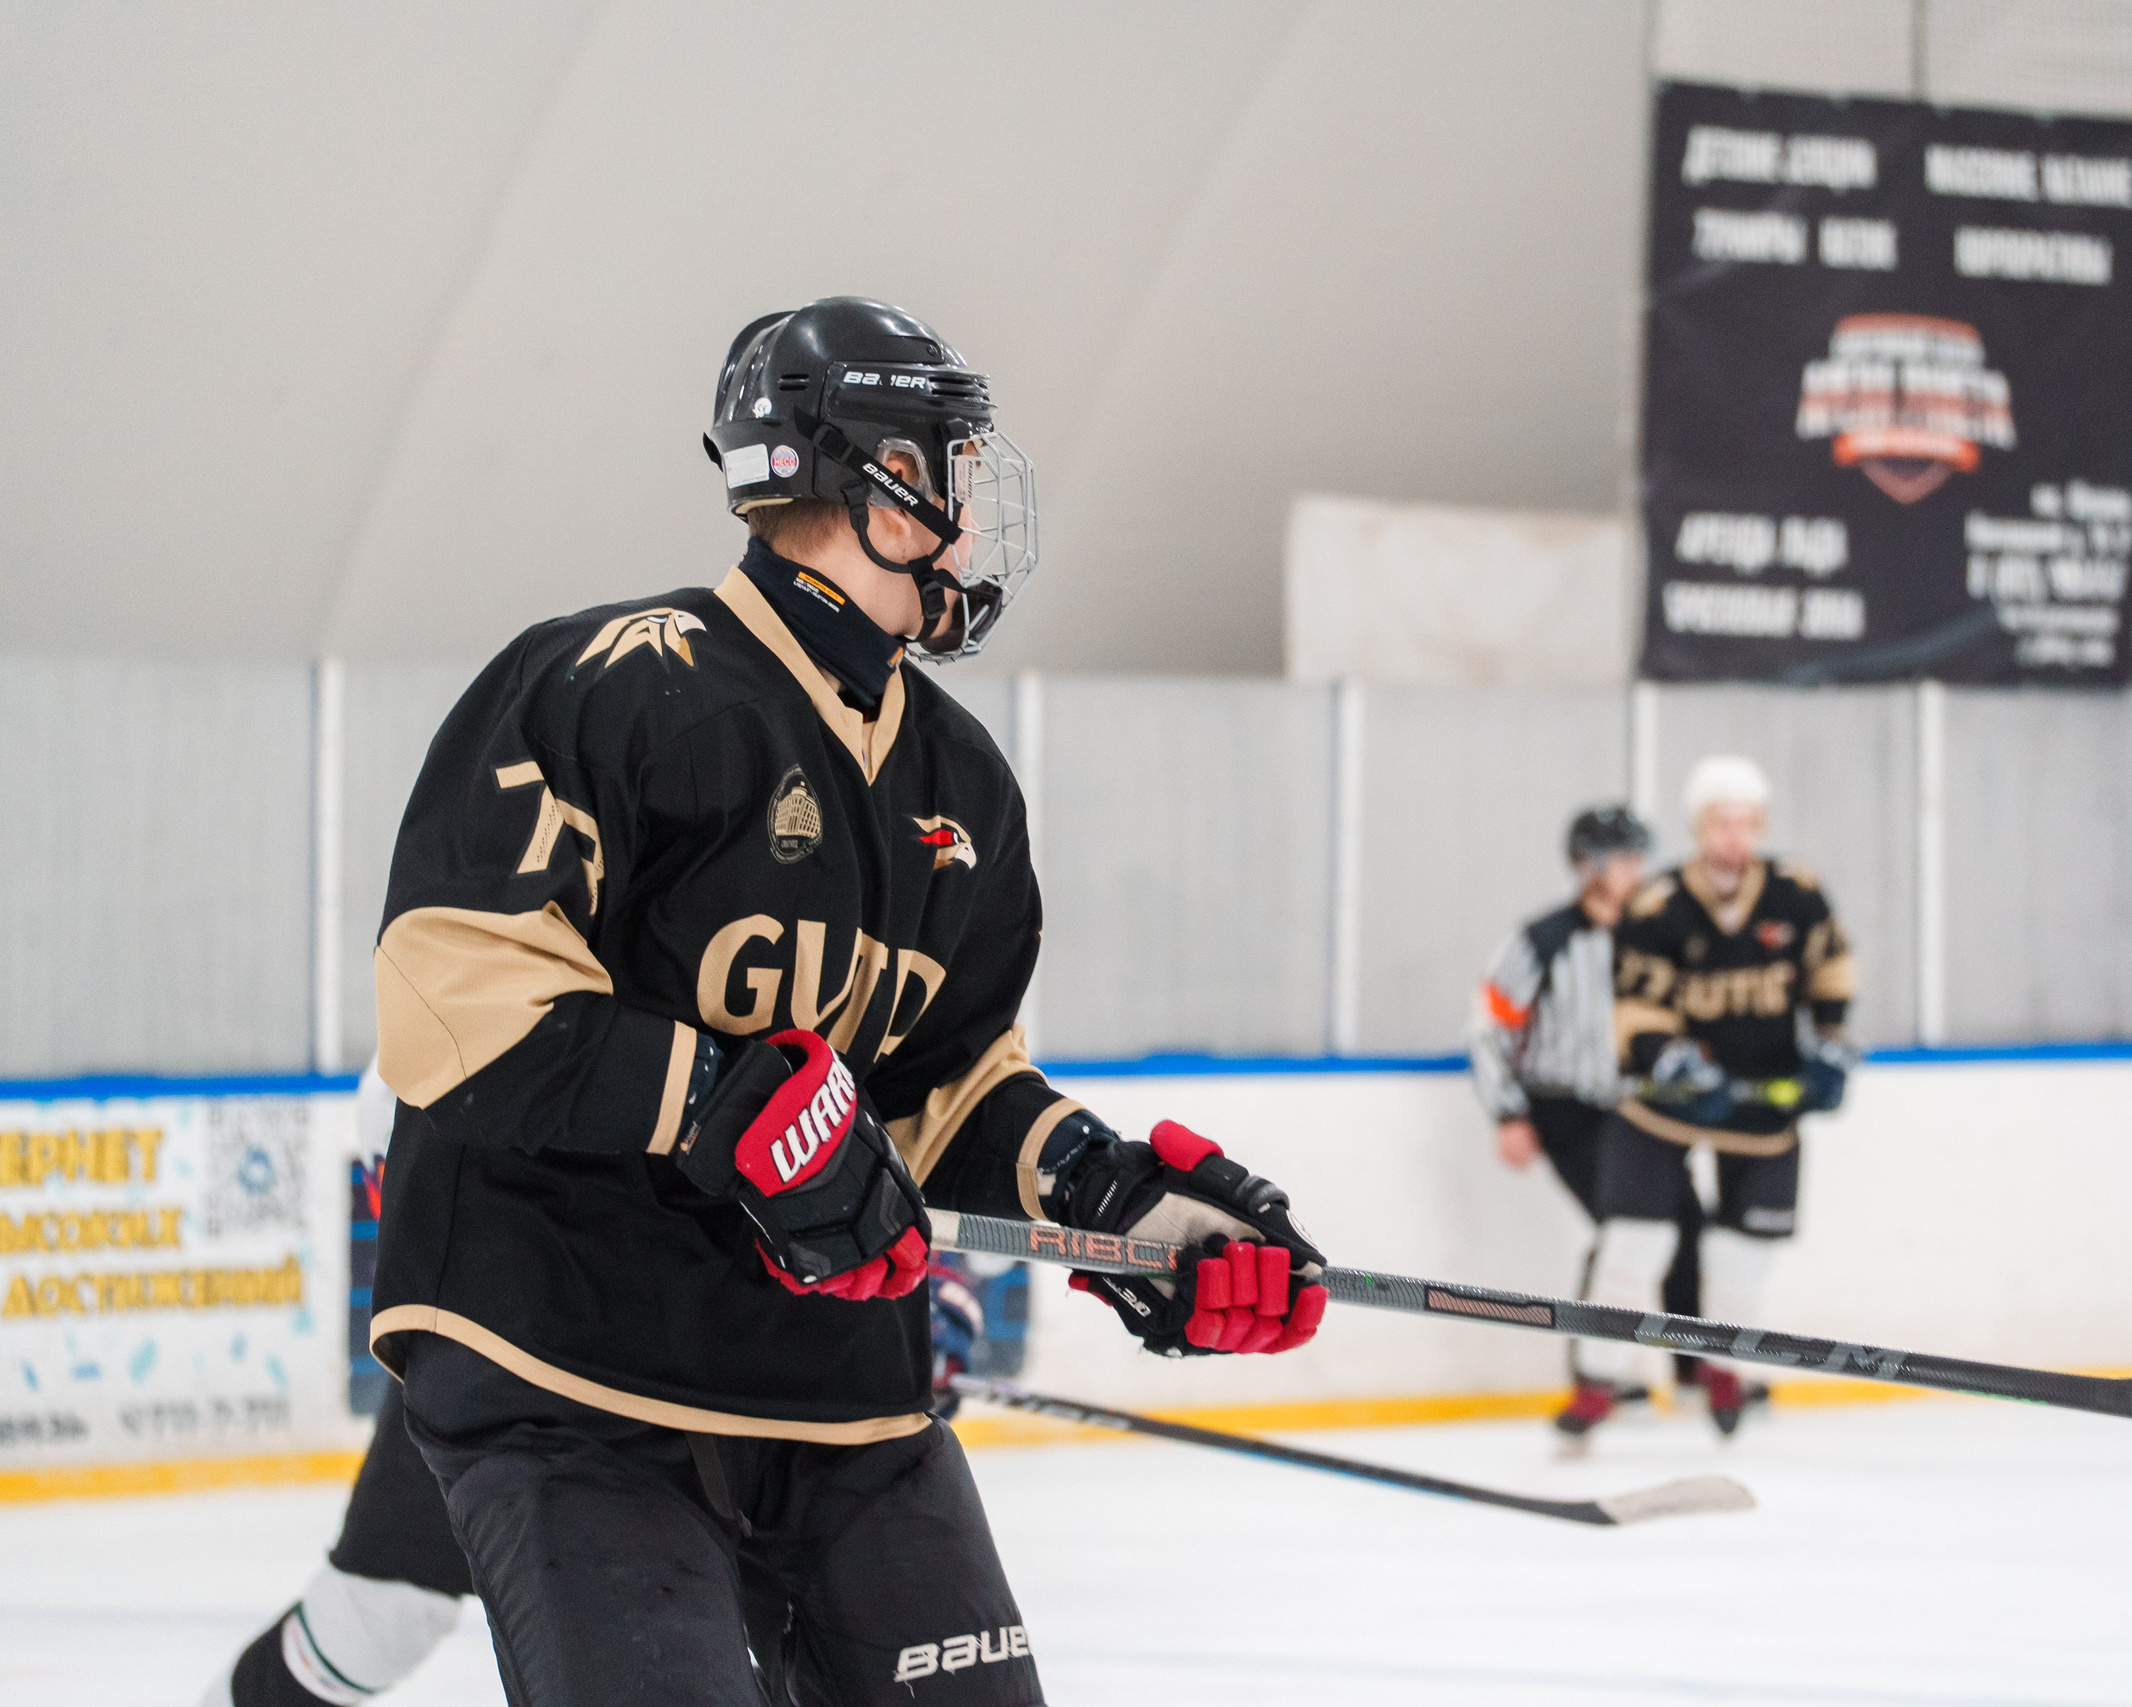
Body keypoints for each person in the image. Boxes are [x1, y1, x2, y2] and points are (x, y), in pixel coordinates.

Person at [348, 297, 1327, 1707]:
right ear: (868, 473)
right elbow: (457, 994)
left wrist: (1118, 1204)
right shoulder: (613, 683)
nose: (971, 518)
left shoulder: (963, 782)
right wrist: (721, 1100)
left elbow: (948, 1086)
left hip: (840, 1393)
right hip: (571, 1377)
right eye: (950, 469)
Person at [201, 1071, 985, 1707]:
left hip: (744, 1361)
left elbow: (874, 1100)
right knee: (380, 1618)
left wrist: (911, 1286)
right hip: (527, 1364)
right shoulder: (464, 1030)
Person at [1556, 755, 1858, 1443]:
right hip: (1666, 1101)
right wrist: (1671, 1058)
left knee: (1743, 1252)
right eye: (1722, 822)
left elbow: (1832, 969)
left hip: (1764, 1102)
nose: (1735, 835)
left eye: (1746, 822)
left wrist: (1831, 1042)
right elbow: (1634, 1005)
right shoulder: (1658, 903)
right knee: (1636, 1241)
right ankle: (1600, 1378)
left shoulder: (1797, 892)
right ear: (1699, 826)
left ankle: (1725, 1369)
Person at [1470, 807, 1707, 1402]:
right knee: (1624, 1228)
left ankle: (1693, 1369)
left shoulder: (1659, 934)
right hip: (1567, 1110)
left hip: (1641, 1110)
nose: (1635, 871)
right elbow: (1488, 1029)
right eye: (1622, 859)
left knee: (1684, 1224)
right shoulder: (1543, 940)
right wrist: (1508, 1113)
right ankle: (1599, 1375)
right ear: (1587, 866)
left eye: (1638, 857)